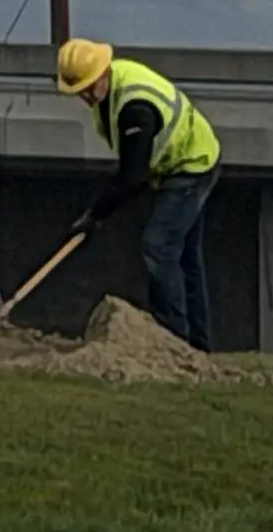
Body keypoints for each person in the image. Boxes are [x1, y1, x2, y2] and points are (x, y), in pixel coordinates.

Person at [58, 37, 222, 348]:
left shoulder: (135, 109)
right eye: (79, 91)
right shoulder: (113, 88)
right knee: (185, 257)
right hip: (181, 161)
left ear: (102, 73)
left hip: (190, 166)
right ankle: (197, 345)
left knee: (159, 245)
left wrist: (94, 215)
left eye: (88, 88)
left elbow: (133, 177)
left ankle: (172, 338)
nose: (85, 96)